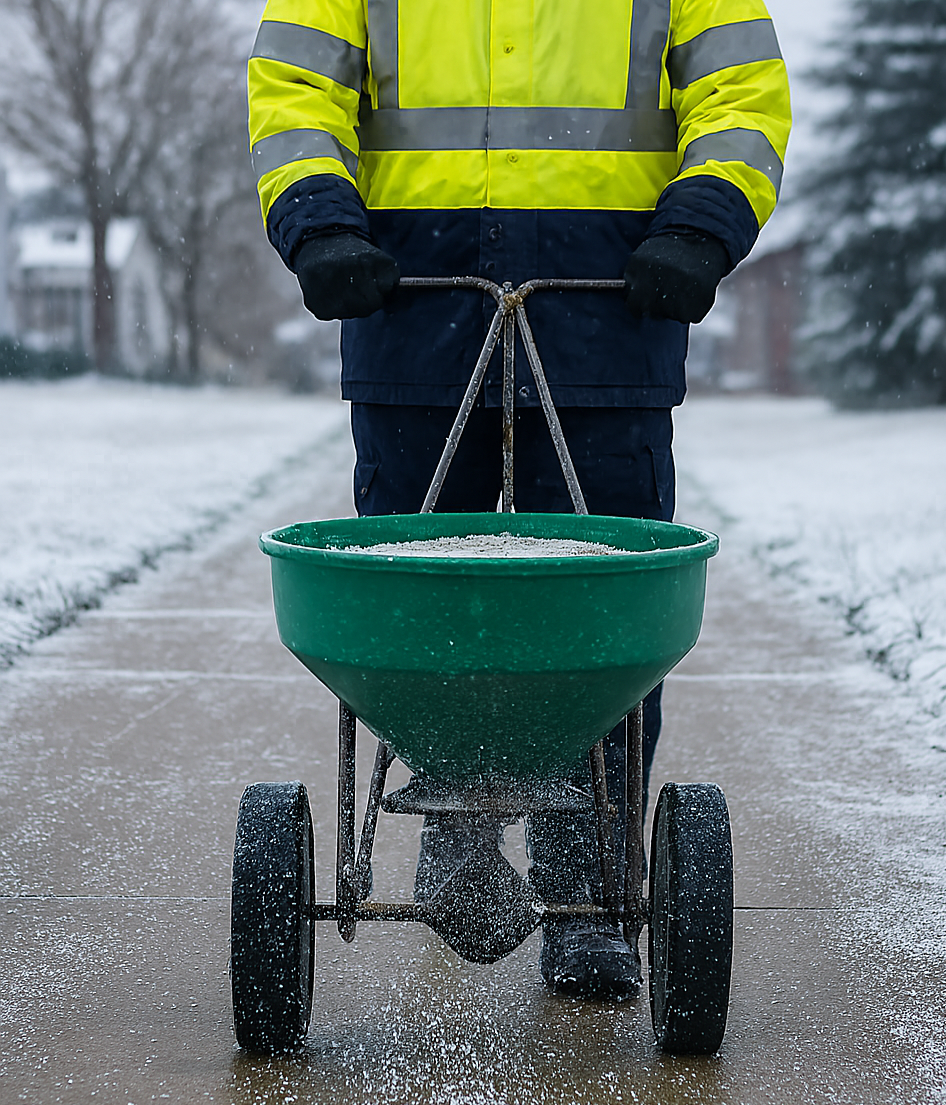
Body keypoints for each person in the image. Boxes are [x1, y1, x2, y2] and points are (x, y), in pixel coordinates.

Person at [248, 0, 791, 1000]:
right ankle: (452, 826)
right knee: (415, 604)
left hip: (612, 302)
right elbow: (295, 93)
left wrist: (700, 227)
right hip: (408, 296)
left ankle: (584, 885)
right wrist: (319, 225)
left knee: (595, 615)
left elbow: (739, 96)